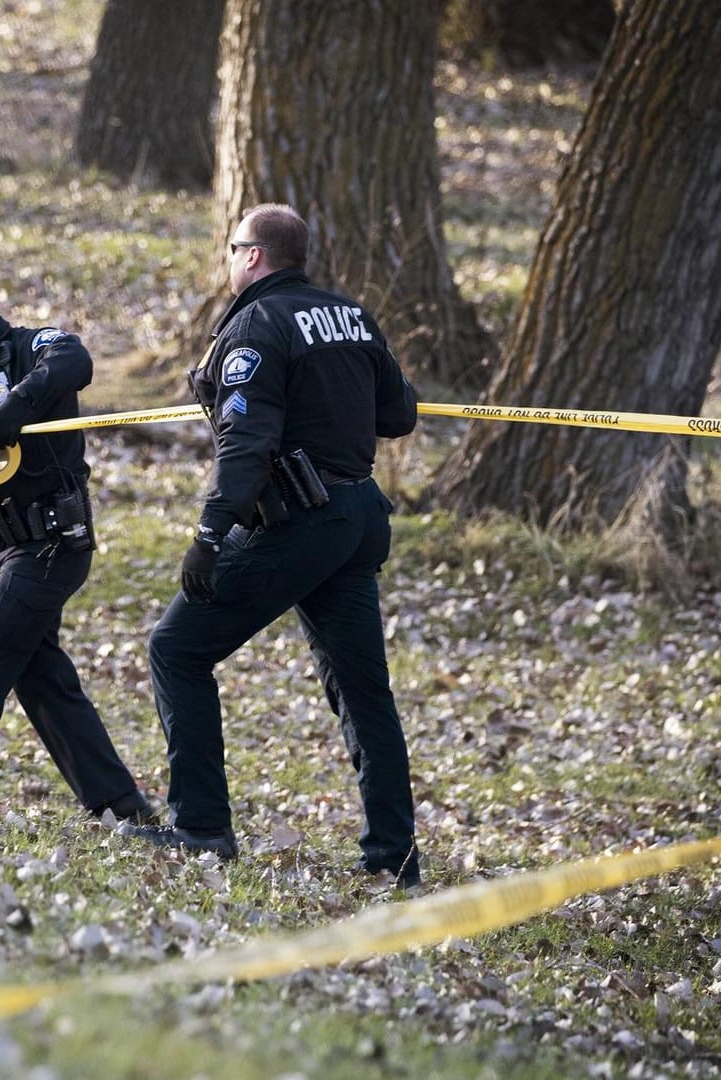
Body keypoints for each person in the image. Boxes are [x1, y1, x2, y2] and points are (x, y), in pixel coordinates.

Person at [119, 204, 424, 887]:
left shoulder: (257, 324)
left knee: (176, 648)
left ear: (254, 256)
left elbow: (246, 444)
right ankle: (393, 856)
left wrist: (209, 533)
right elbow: (400, 413)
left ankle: (202, 828)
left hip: (299, 523)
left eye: (233, 248)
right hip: (356, 519)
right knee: (362, 690)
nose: (229, 258)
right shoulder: (349, 313)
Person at [0, 258, 156, 823]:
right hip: (2, 547)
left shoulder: (33, 346)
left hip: (53, 541)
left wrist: (13, 410)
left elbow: (75, 361)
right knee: (40, 675)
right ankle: (121, 806)